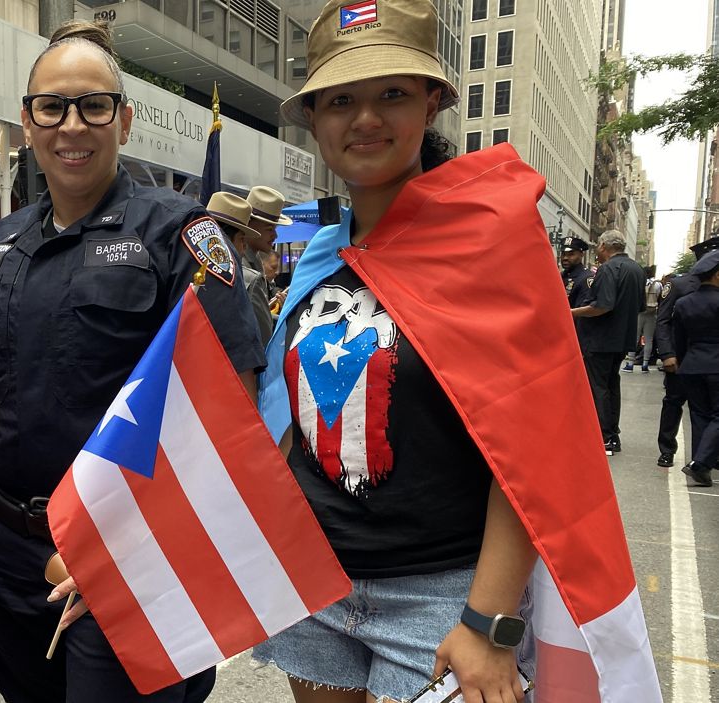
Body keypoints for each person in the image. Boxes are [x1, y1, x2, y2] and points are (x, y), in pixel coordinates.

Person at [251, 1, 649, 701]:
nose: (366, 118)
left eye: (392, 94)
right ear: (313, 118)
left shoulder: (491, 240)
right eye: (341, 99)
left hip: (444, 597)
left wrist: (488, 621)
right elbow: (289, 429)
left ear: (432, 103)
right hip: (314, 577)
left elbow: (533, 446)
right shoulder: (318, 257)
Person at [0, 20, 263, 703]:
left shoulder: (182, 235)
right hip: (5, 553)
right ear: (27, 123)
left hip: (129, 555)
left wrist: (137, 547)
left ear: (126, 120)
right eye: (51, 107)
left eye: (94, 105)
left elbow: (228, 408)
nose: (72, 125)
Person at [572, 231, 646, 455]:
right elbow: (640, 306)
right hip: (621, 338)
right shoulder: (636, 269)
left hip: (600, 338)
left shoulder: (607, 269)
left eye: (598, 247)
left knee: (599, 387)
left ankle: (604, 436)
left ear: (604, 246)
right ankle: (613, 435)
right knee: (612, 385)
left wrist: (570, 312)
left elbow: (602, 305)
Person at [654, 236, 719, 467]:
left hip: (702, 360)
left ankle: (705, 457)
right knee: (673, 403)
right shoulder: (679, 285)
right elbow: (662, 321)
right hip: (679, 357)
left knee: (707, 411)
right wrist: (668, 354)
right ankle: (667, 450)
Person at [674, 250, 719, 487]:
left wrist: (683, 361)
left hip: (691, 365)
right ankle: (701, 464)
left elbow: (679, 340)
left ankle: (701, 465)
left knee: (700, 416)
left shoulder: (683, 303)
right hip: (716, 365)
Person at [206, 191, 273, 345]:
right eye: (242, 239)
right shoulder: (249, 279)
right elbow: (263, 341)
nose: (243, 248)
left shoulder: (184, 270)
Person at [245, 185, 291, 276]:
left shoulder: (255, 258)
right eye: (270, 229)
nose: (275, 236)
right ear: (249, 226)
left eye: (275, 229)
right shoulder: (240, 264)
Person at [624, 269, 663, 373]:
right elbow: (660, 297)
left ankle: (630, 364)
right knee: (648, 339)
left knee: (634, 338)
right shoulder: (658, 284)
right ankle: (645, 364)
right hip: (652, 313)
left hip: (639, 312)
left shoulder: (639, 282)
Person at [559, 236, 595, 310]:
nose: (565, 258)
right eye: (563, 254)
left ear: (581, 255)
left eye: (571, 254)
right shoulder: (559, 276)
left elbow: (583, 310)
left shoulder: (587, 278)